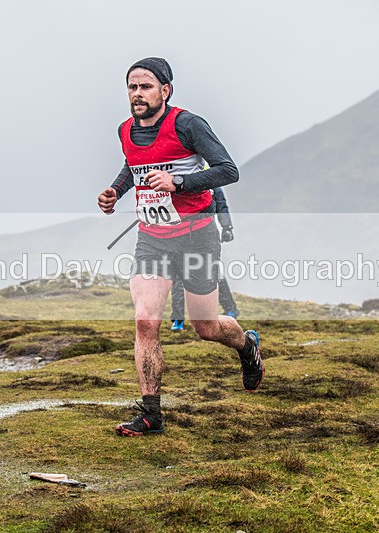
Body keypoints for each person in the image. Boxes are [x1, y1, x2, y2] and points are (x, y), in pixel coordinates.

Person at [97, 57, 264, 437]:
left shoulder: (188, 125)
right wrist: (115, 192)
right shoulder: (126, 130)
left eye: (146, 87)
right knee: (145, 320)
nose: (137, 94)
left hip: (197, 235)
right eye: (132, 87)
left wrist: (180, 183)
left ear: (165, 91)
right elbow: (132, 166)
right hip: (152, 237)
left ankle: (246, 345)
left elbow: (227, 170)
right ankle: (151, 414)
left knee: (206, 327)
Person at [170, 187, 239, 331]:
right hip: (179, 234)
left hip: (205, 236)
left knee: (212, 273)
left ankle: (231, 310)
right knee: (178, 275)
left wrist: (227, 227)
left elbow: (221, 203)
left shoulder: (209, 177)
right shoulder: (176, 176)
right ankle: (178, 319)